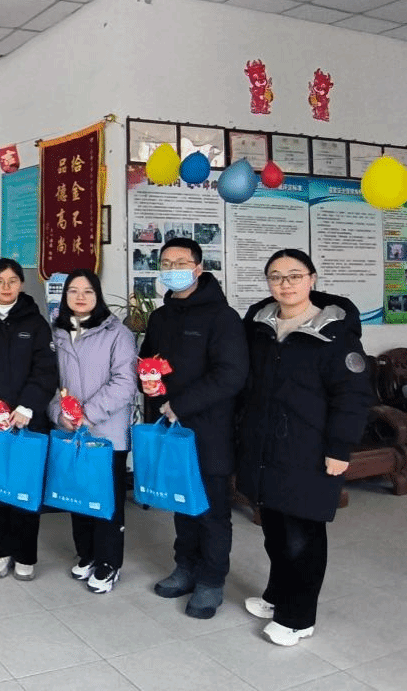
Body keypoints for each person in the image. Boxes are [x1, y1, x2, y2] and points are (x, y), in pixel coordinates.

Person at [236, 249, 373, 646]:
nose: (285, 284)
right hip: (265, 446)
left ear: (312, 279)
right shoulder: (259, 326)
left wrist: (339, 449)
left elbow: (353, 397)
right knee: (275, 530)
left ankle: (298, 618)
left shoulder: (334, 333)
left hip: (311, 449)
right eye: (276, 276)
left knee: (302, 536)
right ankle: (278, 595)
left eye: (294, 275)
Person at [140, 236, 247, 619]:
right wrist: (148, 383)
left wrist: (180, 405)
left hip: (209, 431)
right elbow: (148, 362)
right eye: (166, 264)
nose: (173, 270)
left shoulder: (222, 317)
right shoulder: (161, 317)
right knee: (181, 504)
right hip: (170, 429)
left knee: (211, 511)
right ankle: (185, 567)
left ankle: (211, 581)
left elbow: (231, 375)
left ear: (199, 268)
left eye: (181, 262)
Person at [0, 258, 58, 581]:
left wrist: (27, 408)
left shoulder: (36, 324)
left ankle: (25, 555)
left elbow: (46, 371)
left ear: (21, 284)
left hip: (26, 422)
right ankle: (0, 551)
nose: (6, 287)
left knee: (24, 488)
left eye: (12, 281)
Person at [46, 269, 137, 593]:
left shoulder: (117, 333)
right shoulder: (57, 333)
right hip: (72, 431)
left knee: (106, 500)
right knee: (78, 495)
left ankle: (109, 563)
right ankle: (87, 554)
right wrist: (59, 414)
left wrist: (88, 414)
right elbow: (51, 382)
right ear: (65, 296)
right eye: (73, 291)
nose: (80, 297)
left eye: (87, 291)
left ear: (97, 295)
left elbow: (125, 382)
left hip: (107, 433)